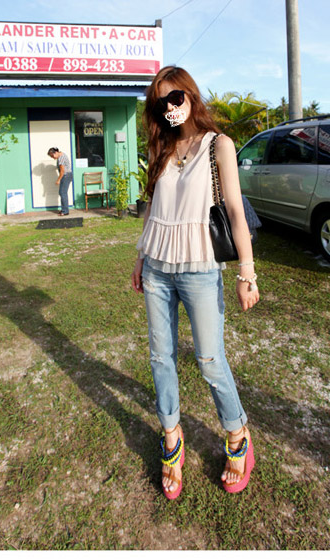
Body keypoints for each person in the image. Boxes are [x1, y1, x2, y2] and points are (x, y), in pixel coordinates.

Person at [131, 66, 259, 499]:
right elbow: (152, 207)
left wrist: (246, 272)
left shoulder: (218, 144)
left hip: (201, 267)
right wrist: (140, 256)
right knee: (160, 356)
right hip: (157, 267)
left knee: (209, 359)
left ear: (190, 96)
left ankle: (238, 436)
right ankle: (172, 437)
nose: (169, 106)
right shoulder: (161, 147)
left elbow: (235, 211)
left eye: (176, 97)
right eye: (160, 101)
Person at [48, 147, 72, 216]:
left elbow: (62, 171)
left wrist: (58, 180)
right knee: (62, 192)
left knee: (63, 193)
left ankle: (65, 211)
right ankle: (64, 209)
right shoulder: (61, 155)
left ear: (55, 153)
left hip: (66, 176)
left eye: (52, 156)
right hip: (66, 175)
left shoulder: (61, 158)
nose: (53, 158)